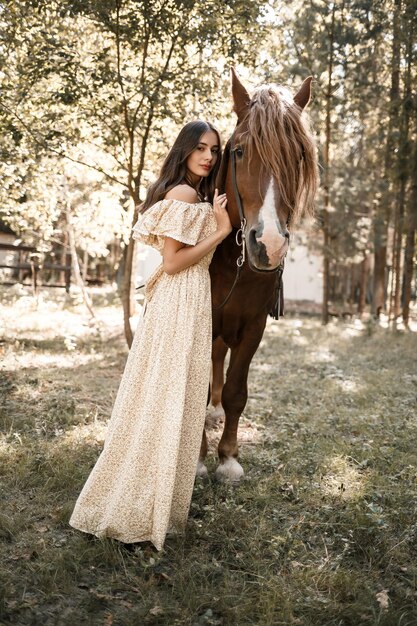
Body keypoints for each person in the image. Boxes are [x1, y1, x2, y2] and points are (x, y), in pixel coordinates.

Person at [69, 120, 232, 551]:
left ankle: (154, 501)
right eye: (200, 148)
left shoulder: (194, 195)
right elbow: (175, 263)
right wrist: (220, 230)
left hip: (188, 301)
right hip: (179, 300)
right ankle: (136, 505)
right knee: (166, 397)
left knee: (171, 398)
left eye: (214, 150)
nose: (208, 157)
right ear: (183, 150)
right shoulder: (181, 194)